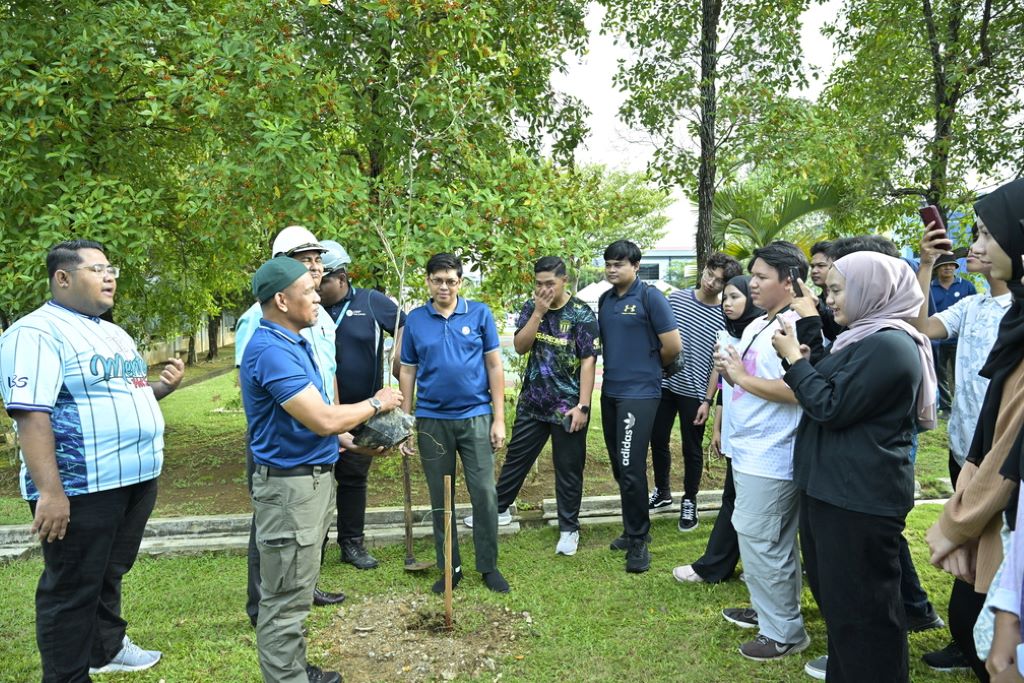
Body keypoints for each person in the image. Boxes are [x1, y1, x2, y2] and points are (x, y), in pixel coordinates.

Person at [0, 240, 184, 680]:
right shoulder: (35, 332)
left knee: (109, 571)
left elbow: (125, 394)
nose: (110, 276)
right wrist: (51, 492)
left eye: (111, 268)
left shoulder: (111, 332)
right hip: (82, 486)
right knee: (71, 587)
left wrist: (162, 389)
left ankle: (106, 648)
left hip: (134, 478)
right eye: (98, 269)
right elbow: (31, 413)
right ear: (63, 278)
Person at [774, 251, 937, 682]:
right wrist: (806, 361)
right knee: (844, 613)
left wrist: (795, 360)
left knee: (866, 617)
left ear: (872, 291)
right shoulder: (861, 339)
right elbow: (827, 387)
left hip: (859, 500)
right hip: (835, 492)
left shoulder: (889, 345)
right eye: (828, 291)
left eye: (838, 290)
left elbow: (828, 405)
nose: (830, 301)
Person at [240, 256, 403, 683]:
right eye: (308, 291)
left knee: (295, 590)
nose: (317, 296)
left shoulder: (293, 342)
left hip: (308, 482)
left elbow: (323, 426)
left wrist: (357, 443)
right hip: (291, 491)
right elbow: (324, 419)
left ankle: (294, 669)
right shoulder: (272, 351)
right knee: (284, 600)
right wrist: (376, 403)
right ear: (281, 299)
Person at [926, 178, 1024, 682]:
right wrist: (924, 265)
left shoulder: (1017, 315)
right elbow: (920, 328)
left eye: (988, 233)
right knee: (978, 571)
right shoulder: (974, 307)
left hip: (998, 475)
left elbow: (1011, 440)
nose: (975, 247)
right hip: (968, 452)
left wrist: (952, 524)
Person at [713, 240, 823, 661]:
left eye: (761, 277)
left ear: (789, 281)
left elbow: (797, 391)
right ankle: (770, 613)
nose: (751, 283)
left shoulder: (793, 326)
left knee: (764, 541)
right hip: (751, 449)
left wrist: (739, 377)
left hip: (773, 453)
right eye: (752, 275)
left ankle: (783, 631)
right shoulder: (765, 321)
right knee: (764, 539)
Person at [235, 226, 346, 627]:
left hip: (318, 431)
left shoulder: (320, 316)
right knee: (272, 528)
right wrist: (336, 416)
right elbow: (256, 383)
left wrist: (334, 423)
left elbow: (324, 373)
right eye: (306, 260)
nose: (317, 267)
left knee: (307, 530)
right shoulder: (259, 320)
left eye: (318, 259)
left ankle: (303, 586)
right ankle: (264, 603)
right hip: (281, 442)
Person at [466, 256, 599, 556]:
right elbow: (520, 346)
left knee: (568, 469)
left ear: (564, 280)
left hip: (567, 408)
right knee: (516, 459)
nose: (544, 289)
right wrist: (538, 312)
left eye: (550, 283)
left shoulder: (581, 314)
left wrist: (584, 406)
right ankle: (497, 510)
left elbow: (589, 360)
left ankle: (569, 528)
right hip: (533, 403)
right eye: (539, 284)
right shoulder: (531, 307)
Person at [398, 253, 510, 594]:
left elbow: (494, 366)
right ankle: (451, 568)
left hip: (476, 417)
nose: (444, 286)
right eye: (437, 280)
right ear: (428, 282)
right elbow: (407, 371)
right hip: (433, 422)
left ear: (460, 282)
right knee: (440, 498)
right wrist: (406, 423)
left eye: (451, 280)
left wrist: (499, 419)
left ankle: (488, 566)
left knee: (485, 494)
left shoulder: (479, 314)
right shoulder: (415, 321)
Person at [317, 240, 405, 570]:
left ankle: (352, 544)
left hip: (364, 409)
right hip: (319, 410)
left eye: (323, 279)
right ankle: (316, 544)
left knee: (354, 479)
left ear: (341, 277)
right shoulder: (310, 307)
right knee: (320, 480)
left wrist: (399, 358)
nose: (317, 285)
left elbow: (404, 324)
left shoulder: (370, 301)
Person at [597, 239, 682, 573]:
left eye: (619, 264)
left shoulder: (650, 297)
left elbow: (672, 346)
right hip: (611, 393)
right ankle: (633, 526)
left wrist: (647, 370)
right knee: (621, 466)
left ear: (635, 265)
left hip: (641, 393)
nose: (612, 269)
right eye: (608, 264)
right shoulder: (605, 300)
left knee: (632, 466)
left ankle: (638, 541)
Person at [672, 275, 764, 584]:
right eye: (726, 297)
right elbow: (723, 379)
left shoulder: (766, 334)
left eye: (736, 296)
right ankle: (724, 565)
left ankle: (720, 565)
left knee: (739, 501)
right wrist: (712, 410)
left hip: (761, 435)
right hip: (738, 430)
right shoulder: (727, 334)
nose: (727, 303)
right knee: (734, 498)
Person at [649, 252, 741, 533]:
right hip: (664, 385)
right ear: (703, 271)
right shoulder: (676, 299)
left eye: (719, 280)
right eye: (709, 274)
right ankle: (663, 492)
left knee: (692, 448)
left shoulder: (724, 314)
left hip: (696, 392)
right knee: (658, 440)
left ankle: (690, 500)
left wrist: (707, 399)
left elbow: (719, 361)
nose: (711, 282)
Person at [930, 252, 977, 416]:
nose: (948, 268)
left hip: (961, 340)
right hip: (937, 341)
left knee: (961, 374)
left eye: (952, 265)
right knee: (939, 373)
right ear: (937, 268)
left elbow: (976, 313)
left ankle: (961, 406)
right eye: (944, 265)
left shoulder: (966, 286)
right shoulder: (930, 288)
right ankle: (946, 407)